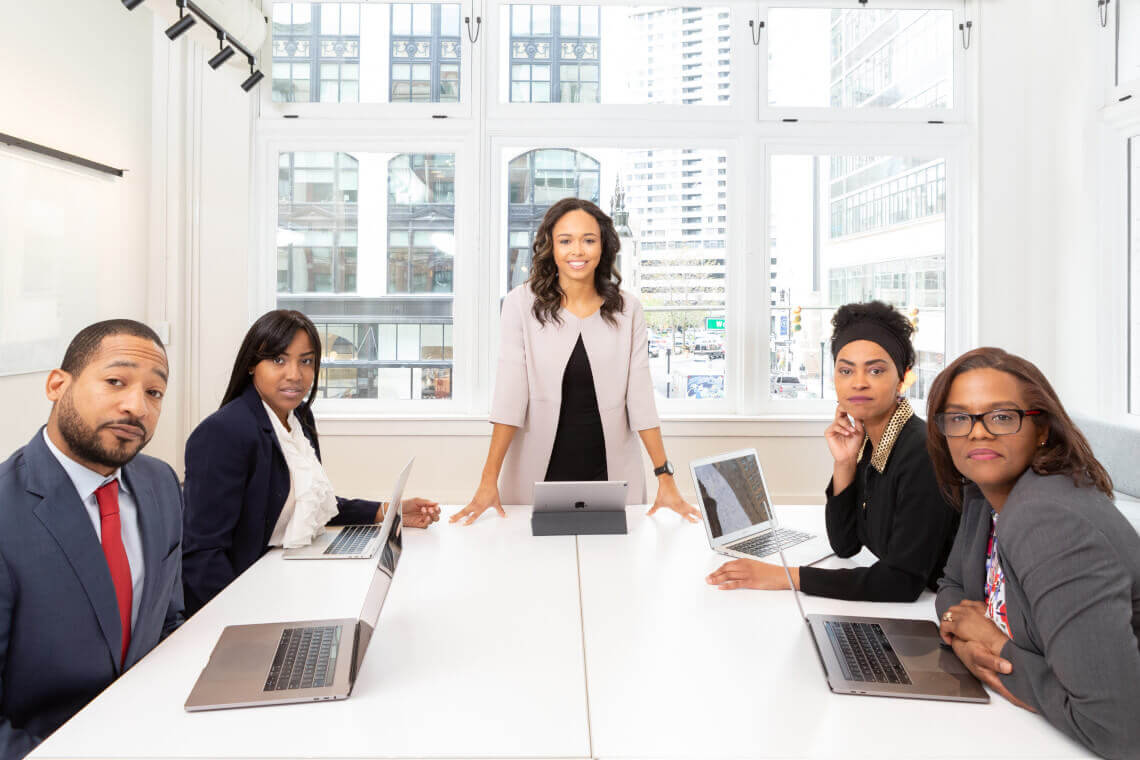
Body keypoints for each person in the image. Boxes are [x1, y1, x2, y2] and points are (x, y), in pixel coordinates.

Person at [930, 348, 1140, 760]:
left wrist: (994, 647)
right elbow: (951, 586)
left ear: (1041, 429)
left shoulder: (1047, 520)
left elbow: (1117, 729)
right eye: (959, 418)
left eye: (1002, 417)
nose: (978, 433)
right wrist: (961, 635)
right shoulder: (982, 493)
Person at [0, 320, 184, 760]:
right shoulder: (6, 509)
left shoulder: (161, 483)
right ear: (57, 385)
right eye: (115, 381)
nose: (136, 406)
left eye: (154, 393)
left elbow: (169, 622)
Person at [451, 197, 697, 524]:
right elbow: (509, 397)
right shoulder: (520, 304)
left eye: (588, 240)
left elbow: (641, 398)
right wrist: (487, 480)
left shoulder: (628, 309)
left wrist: (664, 476)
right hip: (535, 474)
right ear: (550, 248)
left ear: (603, 246)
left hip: (610, 473)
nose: (577, 251)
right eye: (565, 241)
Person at [181, 310, 439, 615]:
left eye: (306, 361)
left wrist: (386, 511)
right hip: (245, 593)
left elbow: (309, 501)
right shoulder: (224, 432)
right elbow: (202, 556)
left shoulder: (299, 416)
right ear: (252, 364)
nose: (295, 374)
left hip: (285, 575)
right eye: (279, 360)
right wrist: (238, 621)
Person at [707, 302, 958, 600]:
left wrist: (784, 576)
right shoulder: (869, 441)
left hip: (938, 613)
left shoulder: (922, 451)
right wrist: (845, 464)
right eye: (846, 370)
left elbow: (901, 583)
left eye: (876, 370)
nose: (859, 382)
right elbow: (845, 544)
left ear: (903, 378)